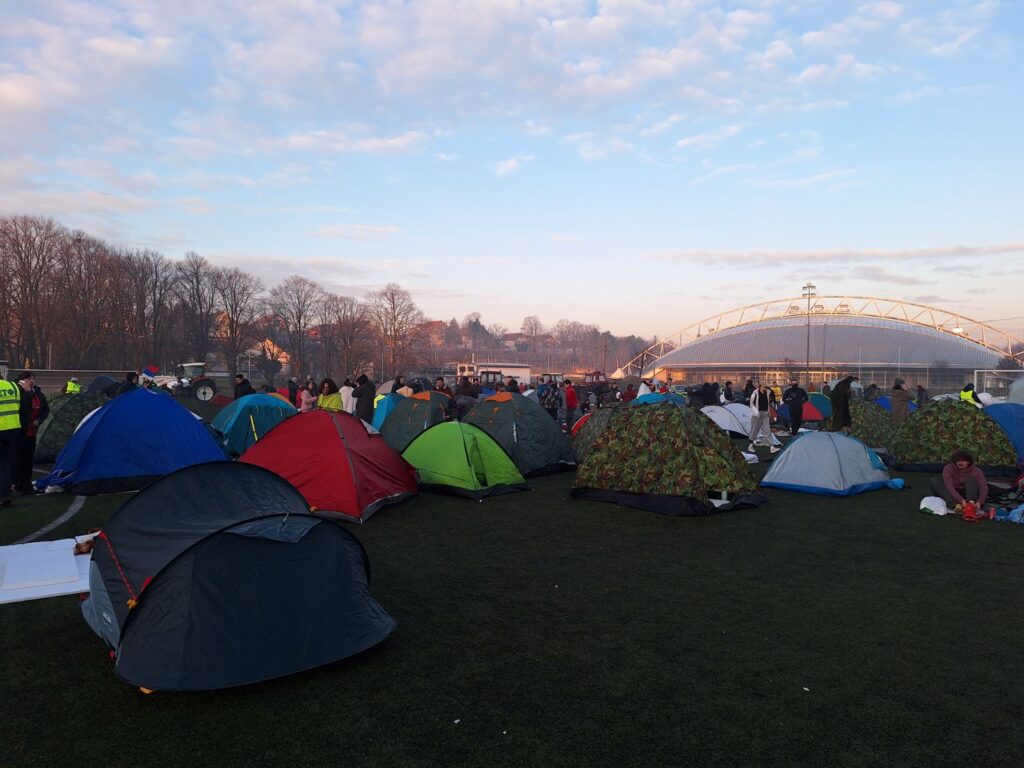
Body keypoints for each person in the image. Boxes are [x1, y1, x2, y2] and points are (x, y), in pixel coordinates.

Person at [12, 372, 49, 496]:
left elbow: (45, 409)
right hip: (19, 431)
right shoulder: (19, 393)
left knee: (28, 460)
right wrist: (27, 392)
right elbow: (22, 408)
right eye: (28, 379)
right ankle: (15, 484)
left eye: (33, 379)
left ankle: (26, 485)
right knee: (17, 460)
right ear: (21, 381)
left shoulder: (38, 393)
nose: (31, 381)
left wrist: (39, 420)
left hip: (32, 432)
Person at [0, 376, 20, 507]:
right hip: (12, 428)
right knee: (5, 463)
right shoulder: (13, 386)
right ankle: (6, 495)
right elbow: (17, 406)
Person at [748, 383, 778, 452]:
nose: (765, 388)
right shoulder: (754, 393)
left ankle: (772, 447)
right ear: (760, 387)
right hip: (756, 414)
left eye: (765, 387)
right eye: (763, 387)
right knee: (754, 430)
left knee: (767, 430)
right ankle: (750, 445)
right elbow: (751, 404)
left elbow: (769, 402)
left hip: (765, 414)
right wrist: (756, 412)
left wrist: (769, 413)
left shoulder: (767, 392)